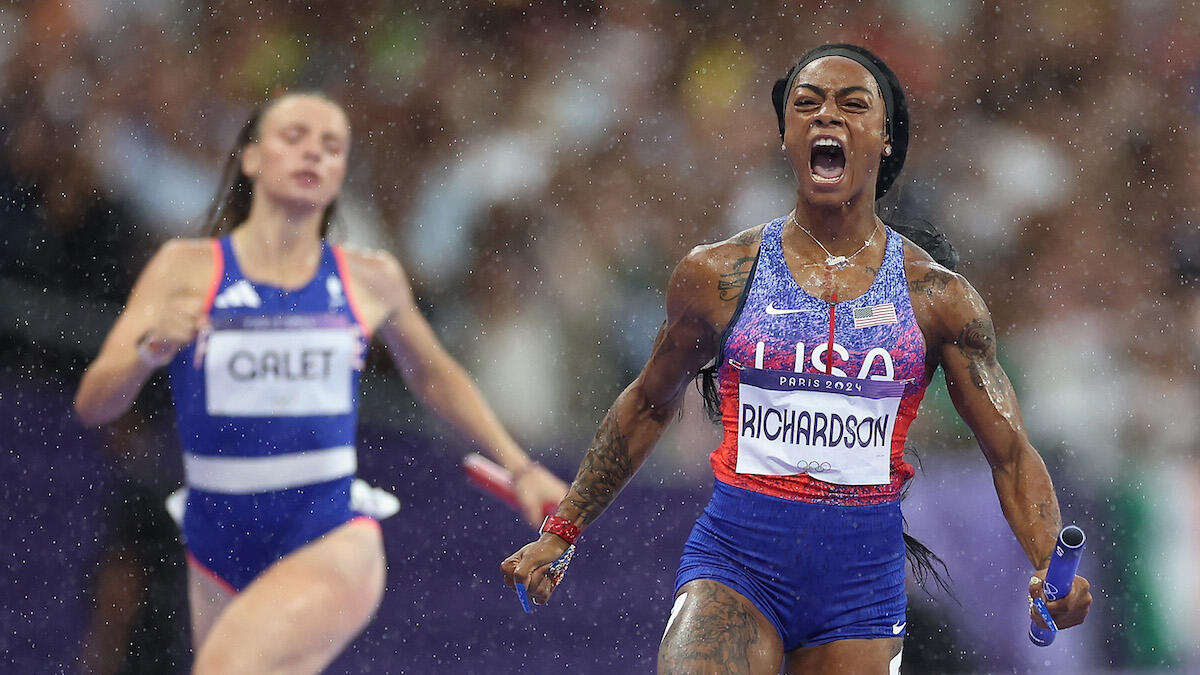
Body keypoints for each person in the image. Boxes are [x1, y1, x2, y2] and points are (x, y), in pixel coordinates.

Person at [502, 44, 1092, 673]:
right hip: (735, 566)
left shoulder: (938, 299)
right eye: (806, 104)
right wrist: (561, 531)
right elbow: (648, 403)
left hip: (860, 590)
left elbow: (1010, 453)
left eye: (852, 105)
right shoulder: (718, 275)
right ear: (786, 135)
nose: (825, 115)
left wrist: (1048, 566)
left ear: (885, 139)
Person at [74, 92, 567, 674]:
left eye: (332, 146)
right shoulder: (184, 268)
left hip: (329, 537)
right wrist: (149, 350)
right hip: (215, 543)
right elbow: (94, 405)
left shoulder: (369, 277)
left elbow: (434, 374)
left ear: (340, 174)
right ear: (251, 158)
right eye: (295, 137)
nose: (314, 152)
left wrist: (520, 467)